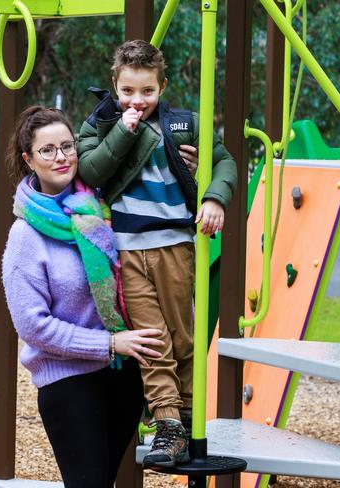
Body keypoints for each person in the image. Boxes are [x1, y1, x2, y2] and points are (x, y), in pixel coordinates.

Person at [77, 40, 237, 468]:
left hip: (175, 246)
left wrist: (214, 197)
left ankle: (183, 413)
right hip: (128, 251)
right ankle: (167, 422)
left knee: (181, 337)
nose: (137, 101)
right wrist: (123, 131)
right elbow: (90, 170)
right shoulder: (101, 123)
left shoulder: (184, 125)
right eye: (128, 91)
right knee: (152, 341)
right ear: (115, 85)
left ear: (162, 87)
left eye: (147, 91)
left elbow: (224, 162)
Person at [2, 105, 166, 487]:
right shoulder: (26, 237)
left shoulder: (102, 207)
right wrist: (109, 343)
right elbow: (34, 327)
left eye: (68, 145)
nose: (61, 157)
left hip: (123, 376)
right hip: (69, 383)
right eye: (48, 150)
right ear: (29, 159)